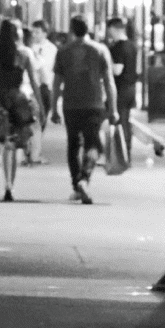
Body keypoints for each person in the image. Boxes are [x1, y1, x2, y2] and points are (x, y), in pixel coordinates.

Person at [53, 16, 117, 205]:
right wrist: (113, 108)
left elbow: (56, 83)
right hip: (94, 104)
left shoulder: (63, 51)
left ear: (71, 30)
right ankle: (84, 177)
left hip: (70, 105)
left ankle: (76, 185)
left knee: (73, 145)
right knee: (93, 144)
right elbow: (109, 82)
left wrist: (54, 108)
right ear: (88, 29)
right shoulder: (100, 50)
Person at [0, 18, 38, 198]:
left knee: (6, 142)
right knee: (15, 143)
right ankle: (11, 185)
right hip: (18, 98)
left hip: (1, 98)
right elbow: (34, 81)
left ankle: (7, 183)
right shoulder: (24, 54)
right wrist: (40, 103)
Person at [26, 21, 59, 131]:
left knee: (42, 118)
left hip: (45, 87)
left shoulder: (51, 49)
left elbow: (46, 67)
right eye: (33, 32)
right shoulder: (29, 47)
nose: (34, 35)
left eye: (37, 32)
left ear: (45, 33)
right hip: (30, 88)